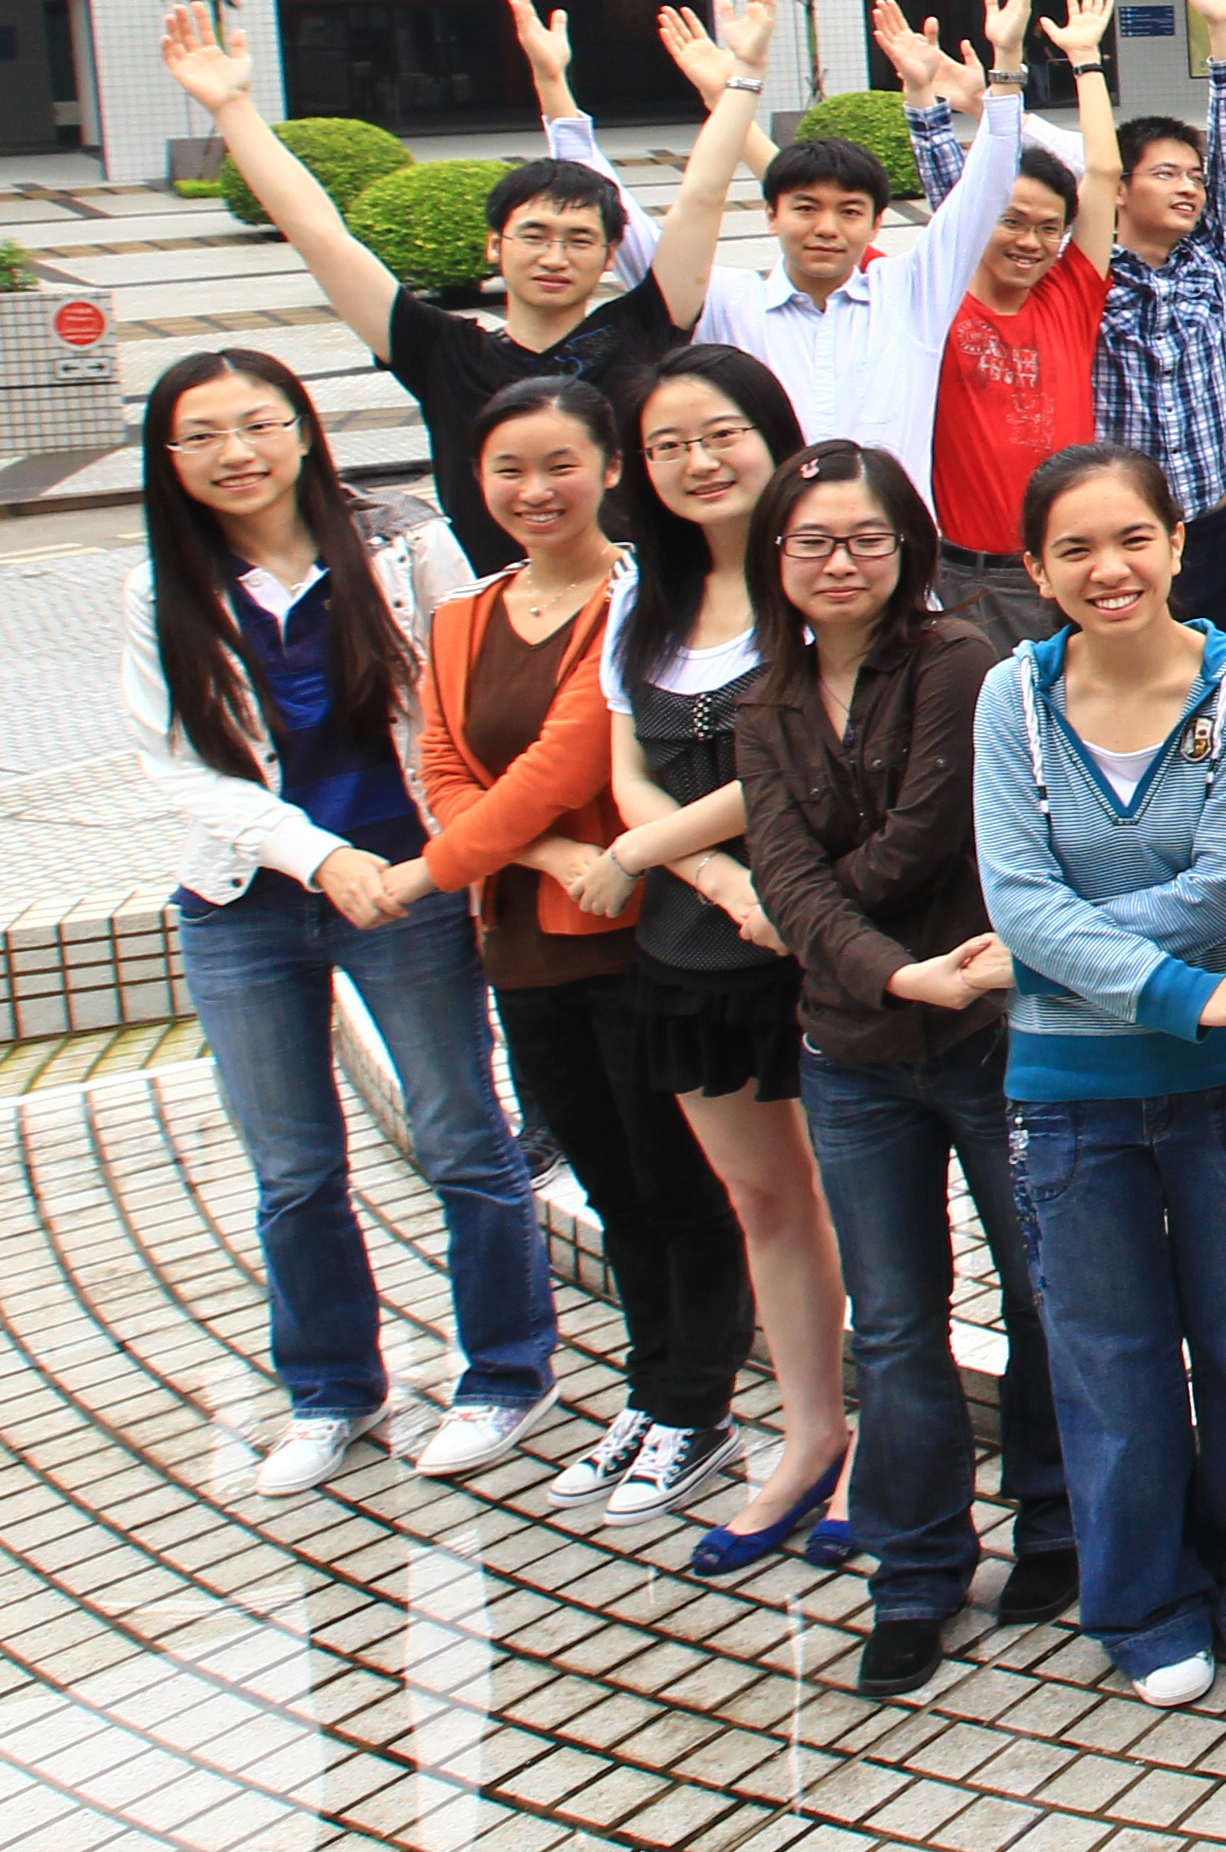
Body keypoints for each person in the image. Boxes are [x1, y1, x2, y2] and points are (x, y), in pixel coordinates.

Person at [126, 350, 551, 1497]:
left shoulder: (401, 549)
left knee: (463, 1137)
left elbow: (466, 698)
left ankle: (507, 1372)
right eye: (202, 436)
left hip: (408, 891)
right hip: (244, 906)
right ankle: (331, 1393)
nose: (236, 453)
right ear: (169, 459)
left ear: (305, 432)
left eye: (258, 424)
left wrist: (450, 856)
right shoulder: (162, 587)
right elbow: (182, 769)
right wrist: (321, 859)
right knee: (293, 1170)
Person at [973, 438, 1226, 1705]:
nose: (1108, 568)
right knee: (1106, 1361)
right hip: (1069, 1093)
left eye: (1133, 538)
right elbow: (1014, 893)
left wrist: (1055, 952)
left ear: (1179, 544)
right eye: (1073, 549)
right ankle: (1143, 1603)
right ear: (1035, 570)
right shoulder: (1011, 700)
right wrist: (1170, 987)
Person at [733, 438, 1073, 1697]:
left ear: (908, 547)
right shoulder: (761, 704)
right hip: (856, 1053)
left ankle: (1059, 1523)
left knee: (1041, 1292)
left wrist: (837, 929)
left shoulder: (957, 662)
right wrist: (885, 970)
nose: (841, 562)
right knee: (892, 1323)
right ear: (776, 556)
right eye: (814, 541)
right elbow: (782, 877)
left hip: (986, 1032)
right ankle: (919, 1571)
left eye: (867, 538)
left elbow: (925, 834)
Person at [408, 377, 757, 1523]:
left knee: (674, 1181)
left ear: (611, 469)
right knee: (607, 1183)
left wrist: (434, 869)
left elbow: (561, 766)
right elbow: (443, 771)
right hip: (523, 941)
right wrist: (549, 859)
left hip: (630, 936)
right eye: (508, 469)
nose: (535, 490)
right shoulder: (462, 616)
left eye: (560, 464)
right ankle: (651, 1396)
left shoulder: (638, 602)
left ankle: (695, 1403)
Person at [159, 0, 762, 573]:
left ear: (610, 257)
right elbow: (320, 235)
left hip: (639, 608)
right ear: (494, 245)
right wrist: (232, 108)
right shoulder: (441, 352)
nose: (555, 257)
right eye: (534, 236)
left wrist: (744, 76)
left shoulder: (643, 329)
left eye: (579, 240)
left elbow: (702, 197)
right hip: (491, 611)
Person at [592, 347, 853, 1570]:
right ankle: (811, 1434)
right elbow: (625, 769)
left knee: (871, 1198)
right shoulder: (639, 597)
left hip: (822, 939)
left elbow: (815, 748)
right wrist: (710, 875)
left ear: (772, 433)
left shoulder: (824, 573)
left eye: (720, 434)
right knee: (764, 1202)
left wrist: (655, 851)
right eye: (667, 446)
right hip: (696, 946)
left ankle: (892, 1443)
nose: (698, 463)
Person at [699, 0, 1038, 488]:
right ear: (771, 215)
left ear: (878, 222)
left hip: (894, 537)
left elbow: (985, 191)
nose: (826, 228)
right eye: (805, 208)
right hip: (779, 537)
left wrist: (1007, 64)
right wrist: (737, 86)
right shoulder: (730, 305)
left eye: (850, 211)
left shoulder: (910, 295)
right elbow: (646, 235)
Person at [912, 0, 1121, 646]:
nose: (1030, 241)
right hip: (970, 578)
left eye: (1048, 228)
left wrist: (1085, 61)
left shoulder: (1069, 296)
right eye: (1011, 221)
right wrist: (982, 75)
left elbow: (1104, 174)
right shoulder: (935, 303)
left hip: (1074, 569)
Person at [1091, 0, 1226, 637]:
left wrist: (1224, 32)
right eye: (1166, 174)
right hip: (1126, 537)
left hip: (1219, 522)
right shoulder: (1086, 280)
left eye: (1194, 177)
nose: (1188, 188)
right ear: (1118, 189)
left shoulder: (1211, 258)